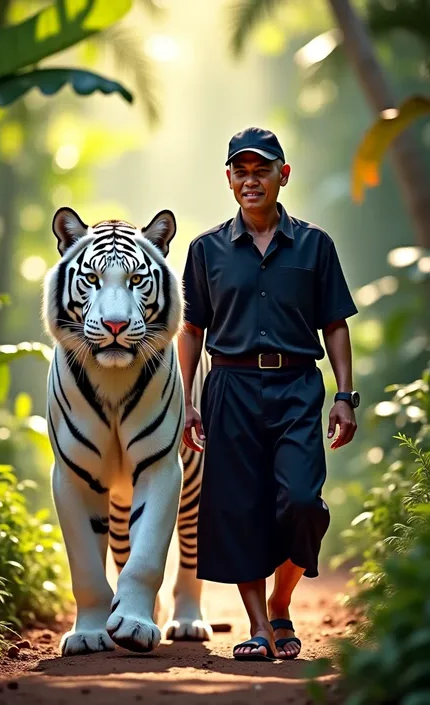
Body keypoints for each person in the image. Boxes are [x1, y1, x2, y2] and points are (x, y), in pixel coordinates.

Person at [178, 126, 359, 662]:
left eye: (263, 170)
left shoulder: (314, 245)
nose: (251, 179)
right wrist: (189, 401)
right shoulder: (205, 249)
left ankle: (281, 602)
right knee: (238, 508)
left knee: (302, 502)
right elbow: (192, 331)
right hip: (229, 387)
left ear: (283, 175)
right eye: (241, 170)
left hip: (297, 385)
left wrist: (346, 395)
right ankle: (259, 625)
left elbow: (336, 325)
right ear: (229, 179)